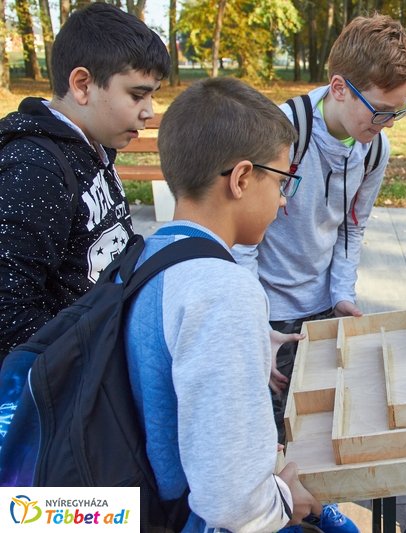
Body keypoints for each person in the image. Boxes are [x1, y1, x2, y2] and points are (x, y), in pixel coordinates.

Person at [123, 77, 323, 532]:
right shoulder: (223, 290)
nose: (284, 199)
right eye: (283, 180)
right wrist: (283, 500)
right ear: (242, 178)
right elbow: (232, 500)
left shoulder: (151, 253)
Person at [234, 13, 406, 446]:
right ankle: (275, 513)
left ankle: (316, 509)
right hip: (269, 312)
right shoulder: (283, 130)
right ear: (339, 88)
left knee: (319, 427)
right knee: (268, 432)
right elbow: (241, 234)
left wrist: (341, 293)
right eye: (381, 111)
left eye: (398, 112)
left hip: (323, 308)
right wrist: (252, 322)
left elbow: (352, 227)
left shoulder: (374, 148)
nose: (388, 124)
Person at [0, 3, 170, 362]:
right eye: (137, 95)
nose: (149, 111)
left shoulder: (96, 147)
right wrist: (83, 372)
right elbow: (10, 311)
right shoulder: (34, 169)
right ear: (82, 85)